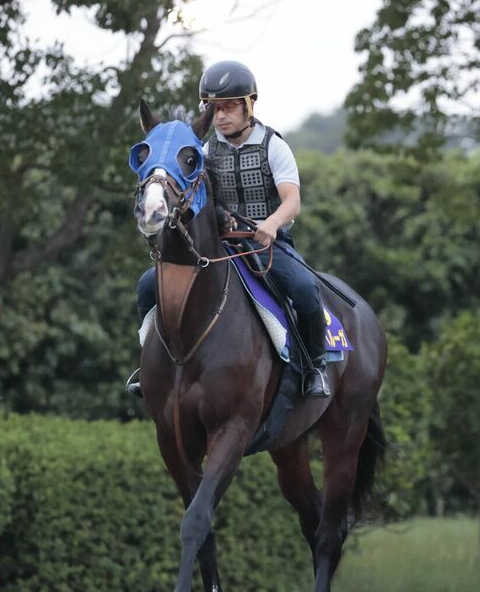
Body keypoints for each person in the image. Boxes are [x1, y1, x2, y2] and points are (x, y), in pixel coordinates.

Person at [128, 60, 330, 398]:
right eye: (213, 108)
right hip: (218, 247)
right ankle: (148, 362)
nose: (220, 115)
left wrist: (272, 223)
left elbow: (292, 201)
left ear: (248, 105)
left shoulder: (273, 146)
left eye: (229, 107)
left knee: (305, 287)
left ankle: (316, 367)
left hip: (265, 245)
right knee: (149, 285)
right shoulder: (203, 152)